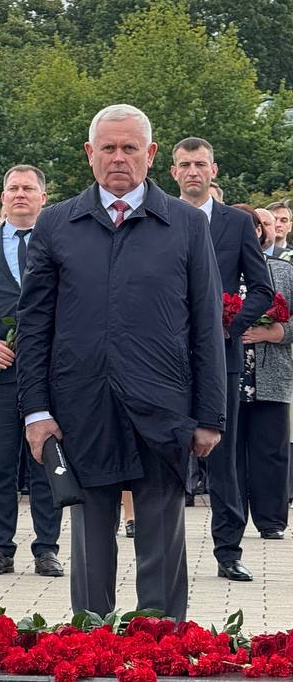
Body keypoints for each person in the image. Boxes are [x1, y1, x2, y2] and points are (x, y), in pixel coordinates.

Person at [18, 104, 226, 620]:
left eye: (129, 148)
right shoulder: (56, 224)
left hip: (163, 409)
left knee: (161, 541)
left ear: (150, 154)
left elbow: (206, 325)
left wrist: (210, 416)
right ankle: (90, 652)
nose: (118, 158)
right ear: (90, 154)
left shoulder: (184, 225)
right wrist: (36, 411)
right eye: (107, 148)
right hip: (81, 409)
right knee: (90, 546)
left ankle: (160, 651)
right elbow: (34, 325)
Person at [169, 137, 273, 583]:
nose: (193, 172)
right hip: (167, 358)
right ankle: (162, 545)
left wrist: (227, 324)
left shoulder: (234, 224)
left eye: (200, 165)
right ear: (173, 171)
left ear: (214, 171)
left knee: (223, 456)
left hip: (221, 359)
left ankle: (227, 551)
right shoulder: (160, 218)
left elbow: (264, 288)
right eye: (185, 165)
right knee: (168, 450)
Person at [0, 165, 63, 578]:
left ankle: (47, 547)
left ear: (43, 198)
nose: (21, 194)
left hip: (48, 375)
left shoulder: (59, 243)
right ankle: (0, 547)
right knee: (0, 464)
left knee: (46, 461)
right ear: (2, 198)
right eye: (13, 188)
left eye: (29, 188)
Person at [233, 204, 293, 540]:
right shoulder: (220, 267)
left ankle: (271, 520)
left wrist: (273, 332)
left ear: (260, 231)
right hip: (229, 374)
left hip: (271, 375)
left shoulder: (283, 271)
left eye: (256, 227)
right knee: (231, 452)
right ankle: (233, 516)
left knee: (270, 450)